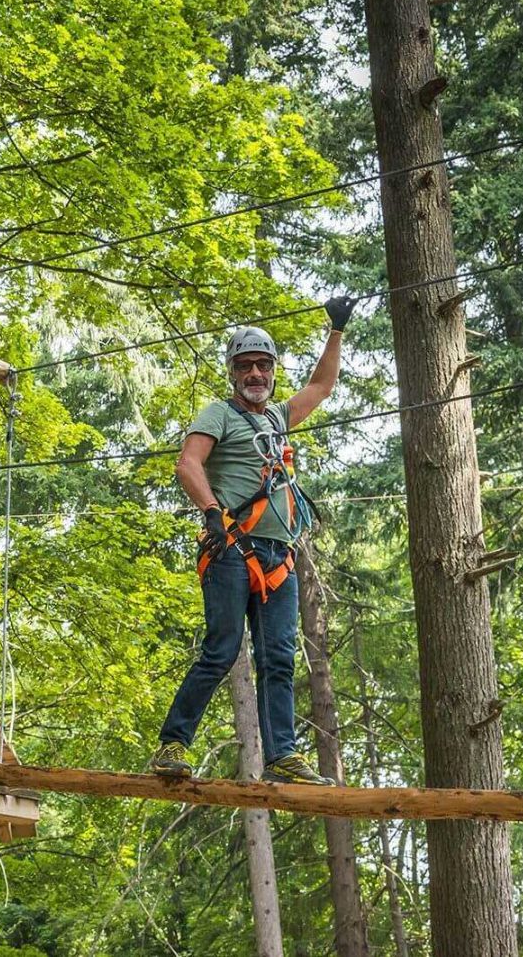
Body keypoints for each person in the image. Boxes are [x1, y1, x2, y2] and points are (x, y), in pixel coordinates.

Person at [148, 296, 354, 785]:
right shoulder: (219, 413)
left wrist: (337, 330)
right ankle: (172, 744)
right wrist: (212, 513)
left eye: (263, 365)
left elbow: (322, 386)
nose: (255, 373)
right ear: (233, 372)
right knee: (221, 650)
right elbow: (188, 463)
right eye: (246, 366)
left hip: (277, 558)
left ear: (272, 372)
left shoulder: (279, 418)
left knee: (278, 659)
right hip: (233, 551)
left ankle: (282, 756)